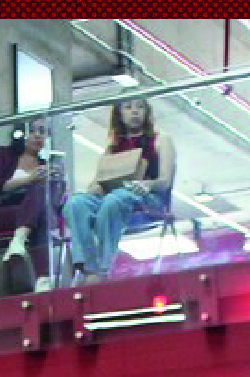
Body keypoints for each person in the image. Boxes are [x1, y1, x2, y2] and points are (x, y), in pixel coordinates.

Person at [64, 98, 175, 281]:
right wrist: (93, 189)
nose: (134, 111)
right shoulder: (113, 146)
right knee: (76, 203)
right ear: (120, 114)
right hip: (115, 194)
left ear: (147, 112)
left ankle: (104, 266)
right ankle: (87, 266)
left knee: (114, 200)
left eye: (140, 107)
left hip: (148, 197)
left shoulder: (161, 140)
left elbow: (165, 180)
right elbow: (98, 182)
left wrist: (147, 185)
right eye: (128, 107)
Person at [0, 116, 65, 287]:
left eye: (42, 132)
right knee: (38, 210)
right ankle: (43, 278)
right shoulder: (2, 155)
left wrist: (58, 182)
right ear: (21, 133)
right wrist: (29, 179)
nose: (37, 136)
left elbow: (54, 205)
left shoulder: (45, 165)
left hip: (28, 218)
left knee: (41, 200)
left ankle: (18, 243)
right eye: (32, 131)